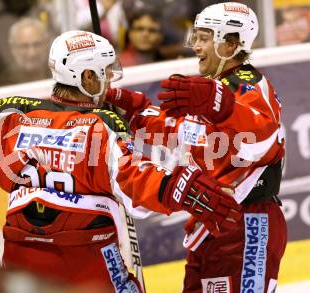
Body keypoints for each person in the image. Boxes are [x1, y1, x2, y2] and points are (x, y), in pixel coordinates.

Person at [0, 30, 240, 291]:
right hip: (86, 264)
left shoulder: (9, 115)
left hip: (19, 262)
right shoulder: (100, 125)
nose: (111, 82)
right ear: (88, 76)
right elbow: (133, 182)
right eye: (106, 74)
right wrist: (177, 189)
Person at [105, 2, 286, 292]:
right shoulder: (211, 90)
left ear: (229, 44)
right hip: (212, 226)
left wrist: (223, 107)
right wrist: (137, 112)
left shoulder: (248, 85)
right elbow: (187, 133)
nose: (196, 46)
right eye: (195, 38)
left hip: (247, 224)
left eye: (204, 38)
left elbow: (261, 138)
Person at [0, 17, 51, 86]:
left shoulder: (59, 75)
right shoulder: (3, 83)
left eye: (37, 44)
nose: (32, 53)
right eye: (25, 46)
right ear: (13, 49)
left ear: (47, 44)